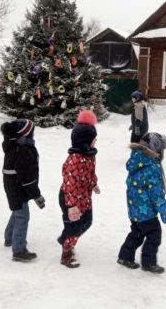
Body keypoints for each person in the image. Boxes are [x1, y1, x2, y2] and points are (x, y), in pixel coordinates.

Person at [117, 132, 166, 274]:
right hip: (146, 211)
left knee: (137, 233)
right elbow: (157, 194)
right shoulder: (152, 167)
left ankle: (125, 256)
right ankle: (148, 263)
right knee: (154, 234)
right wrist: (164, 210)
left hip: (134, 208)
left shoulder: (137, 161)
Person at [58, 110, 100, 268]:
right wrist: (72, 206)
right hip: (71, 198)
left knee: (87, 222)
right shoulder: (74, 160)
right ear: (84, 141)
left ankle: (65, 238)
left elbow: (90, 173)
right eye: (93, 139)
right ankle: (66, 253)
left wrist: (94, 183)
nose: (95, 141)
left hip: (84, 196)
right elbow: (70, 184)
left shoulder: (89, 156)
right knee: (75, 227)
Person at [0, 119, 46, 262]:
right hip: (18, 186)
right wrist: (36, 195)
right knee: (22, 216)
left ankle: (9, 238)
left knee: (17, 210)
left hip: (15, 185)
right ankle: (19, 250)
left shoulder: (18, 145)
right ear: (26, 134)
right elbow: (27, 177)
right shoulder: (22, 150)